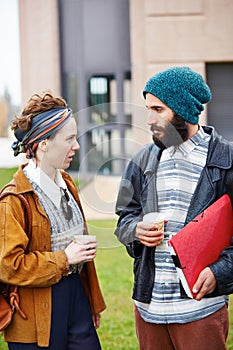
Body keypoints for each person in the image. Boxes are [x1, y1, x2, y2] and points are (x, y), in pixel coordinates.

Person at [114, 66, 233, 350]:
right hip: (149, 309)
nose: (150, 119)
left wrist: (220, 271)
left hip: (200, 310)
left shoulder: (226, 159)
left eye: (158, 109)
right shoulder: (142, 160)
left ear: (184, 111)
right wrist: (136, 231)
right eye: (148, 109)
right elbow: (124, 219)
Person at [0, 92, 106, 349]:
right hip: (35, 316)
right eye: (69, 139)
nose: (77, 146)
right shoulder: (13, 200)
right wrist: (64, 259)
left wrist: (89, 301)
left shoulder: (67, 183)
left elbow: (80, 255)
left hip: (76, 297)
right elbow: (9, 266)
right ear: (43, 144)